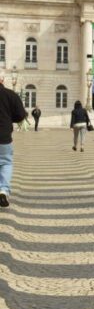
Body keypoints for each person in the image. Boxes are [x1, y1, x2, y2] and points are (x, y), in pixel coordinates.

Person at [0, 72, 27, 207]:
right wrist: (10, 118)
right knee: (6, 163)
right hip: (4, 137)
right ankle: (3, 191)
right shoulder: (11, 95)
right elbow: (21, 115)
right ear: (2, 80)